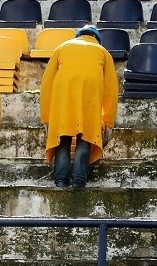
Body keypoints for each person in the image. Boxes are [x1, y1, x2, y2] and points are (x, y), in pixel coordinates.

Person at [39, 25, 118, 188]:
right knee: (85, 138)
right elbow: (111, 89)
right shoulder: (103, 52)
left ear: (78, 36)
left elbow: (46, 85)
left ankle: (60, 180)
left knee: (63, 139)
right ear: (96, 39)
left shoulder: (62, 48)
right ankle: (78, 181)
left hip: (63, 101)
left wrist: (46, 116)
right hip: (89, 102)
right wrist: (108, 120)